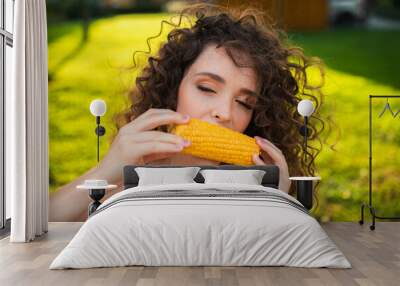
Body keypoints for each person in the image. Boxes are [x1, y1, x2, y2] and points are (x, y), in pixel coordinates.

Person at [49, 3, 327, 222]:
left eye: (245, 103)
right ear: (174, 89)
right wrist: (107, 169)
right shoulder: (130, 179)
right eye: (206, 88)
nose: (224, 113)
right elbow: (41, 224)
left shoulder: (254, 188)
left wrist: (276, 201)